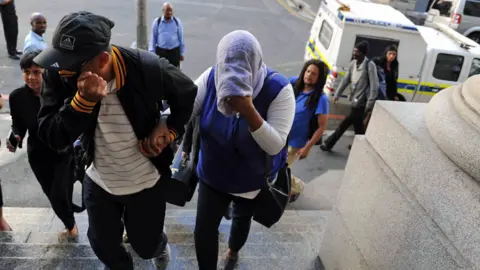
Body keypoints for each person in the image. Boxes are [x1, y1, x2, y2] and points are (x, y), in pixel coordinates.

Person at [33, 11, 197, 270]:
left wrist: (169, 128)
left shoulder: (147, 69)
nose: (63, 71)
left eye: (71, 65)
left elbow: (188, 93)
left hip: (145, 180)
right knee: (103, 245)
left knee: (145, 246)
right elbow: (52, 136)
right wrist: (82, 102)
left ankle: (157, 243)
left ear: (102, 60)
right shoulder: (60, 74)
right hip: (99, 179)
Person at [192, 30, 295, 269]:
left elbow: (275, 144)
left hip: (250, 181)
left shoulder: (278, 90)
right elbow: (188, 107)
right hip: (213, 175)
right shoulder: (211, 78)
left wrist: (249, 112)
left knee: (241, 220)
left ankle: (233, 250)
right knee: (203, 230)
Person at [6, 51, 79, 240]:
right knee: (54, 196)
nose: (31, 77)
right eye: (26, 71)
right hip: (38, 155)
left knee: (59, 195)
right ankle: (70, 222)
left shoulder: (61, 92)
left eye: (36, 72)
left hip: (63, 151)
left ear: (46, 72)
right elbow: (18, 124)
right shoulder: (17, 97)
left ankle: (72, 228)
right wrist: (16, 135)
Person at [320, 41, 379, 152]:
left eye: (356, 52)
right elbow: (345, 80)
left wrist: (370, 103)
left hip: (362, 102)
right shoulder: (353, 64)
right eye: (354, 51)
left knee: (345, 123)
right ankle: (363, 147)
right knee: (359, 127)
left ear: (362, 53)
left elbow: (374, 86)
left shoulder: (370, 65)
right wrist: (337, 94)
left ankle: (328, 144)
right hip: (353, 100)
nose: (354, 53)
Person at [287, 59, 329, 202]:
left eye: (314, 74)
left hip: (295, 143)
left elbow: (321, 127)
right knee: (272, 167)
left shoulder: (321, 99)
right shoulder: (294, 83)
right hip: (281, 135)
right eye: (308, 71)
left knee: (278, 169)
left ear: (319, 79)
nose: (309, 75)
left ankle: (298, 187)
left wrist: (307, 147)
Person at [148, 2, 185, 68]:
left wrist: (182, 53)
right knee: (162, 72)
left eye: (171, 10)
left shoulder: (177, 22)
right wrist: (152, 53)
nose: (169, 12)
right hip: (162, 52)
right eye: (167, 10)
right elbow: (153, 38)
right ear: (163, 11)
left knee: (174, 73)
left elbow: (181, 38)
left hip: (174, 52)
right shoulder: (157, 22)